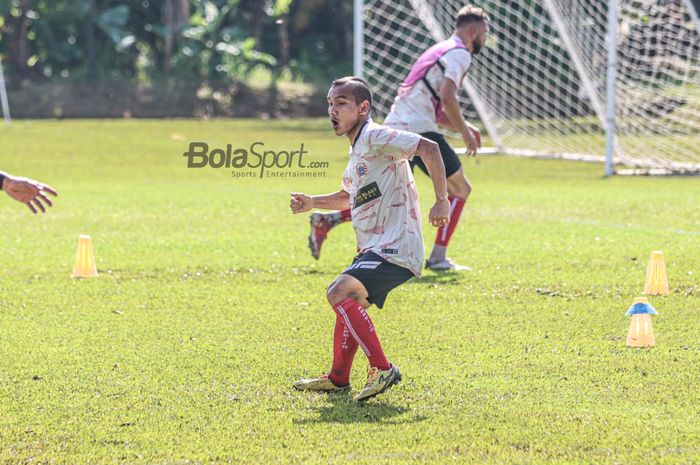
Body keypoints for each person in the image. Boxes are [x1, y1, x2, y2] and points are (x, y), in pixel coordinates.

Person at [290, 77, 449, 401]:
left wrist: (442, 198)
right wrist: (312, 202)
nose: (333, 110)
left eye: (342, 103)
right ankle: (338, 378)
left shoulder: (376, 136)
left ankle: (383, 368)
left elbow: (428, 148)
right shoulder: (359, 151)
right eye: (330, 103)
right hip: (375, 247)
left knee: (339, 292)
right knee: (350, 303)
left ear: (363, 108)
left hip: (397, 246)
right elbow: (348, 197)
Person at [308, 5, 489, 271]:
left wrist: (465, 125)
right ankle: (439, 257)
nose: (484, 38)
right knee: (460, 189)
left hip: (397, 125)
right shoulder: (461, 53)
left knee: (383, 194)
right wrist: (464, 132)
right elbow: (448, 97)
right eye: (484, 32)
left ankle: (329, 219)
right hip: (419, 129)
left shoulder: (437, 50)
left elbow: (433, 106)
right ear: (474, 31)